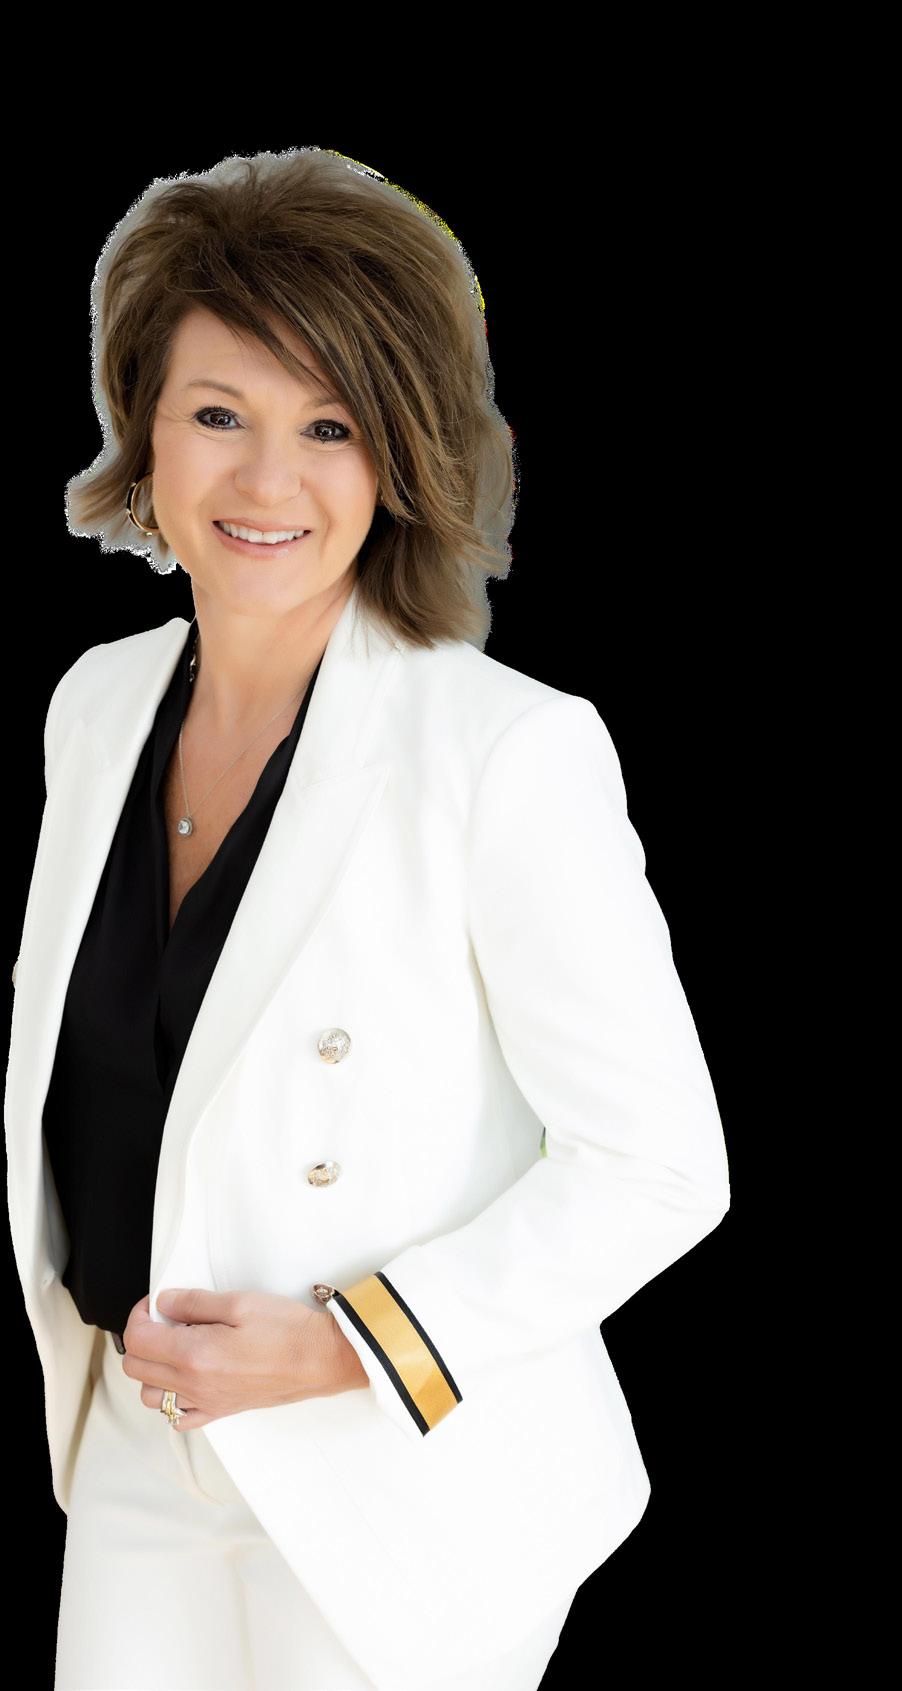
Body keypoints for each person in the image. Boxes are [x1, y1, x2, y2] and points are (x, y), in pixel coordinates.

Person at [6, 148, 731, 1691]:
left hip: (389, 1478)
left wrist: (352, 1342)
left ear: (398, 453)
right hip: (132, 1440)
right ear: (143, 425)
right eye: (219, 415)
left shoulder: (505, 750)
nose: (267, 484)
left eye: (329, 427)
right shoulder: (96, 707)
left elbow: (659, 1166)